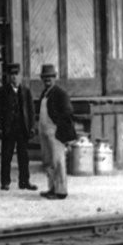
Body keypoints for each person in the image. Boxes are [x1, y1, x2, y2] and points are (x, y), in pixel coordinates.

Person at [35, 63, 77, 200]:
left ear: (55, 78)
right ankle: (52, 188)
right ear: (42, 79)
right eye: (45, 77)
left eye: (50, 77)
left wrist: (60, 129)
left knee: (58, 161)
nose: (48, 79)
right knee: (48, 162)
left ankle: (61, 191)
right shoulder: (44, 93)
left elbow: (68, 112)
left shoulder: (60, 93)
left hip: (55, 133)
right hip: (44, 132)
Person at [0, 62, 35, 191]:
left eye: (16, 74)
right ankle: (5, 182)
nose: (14, 77)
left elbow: (31, 111)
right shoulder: (1, 91)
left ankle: (24, 181)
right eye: (11, 75)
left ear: (21, 76)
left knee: (24, 157)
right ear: (8, 76)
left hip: (22, 129)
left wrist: (32, 127)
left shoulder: (26, 91)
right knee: (6, 156)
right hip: (8, 129)